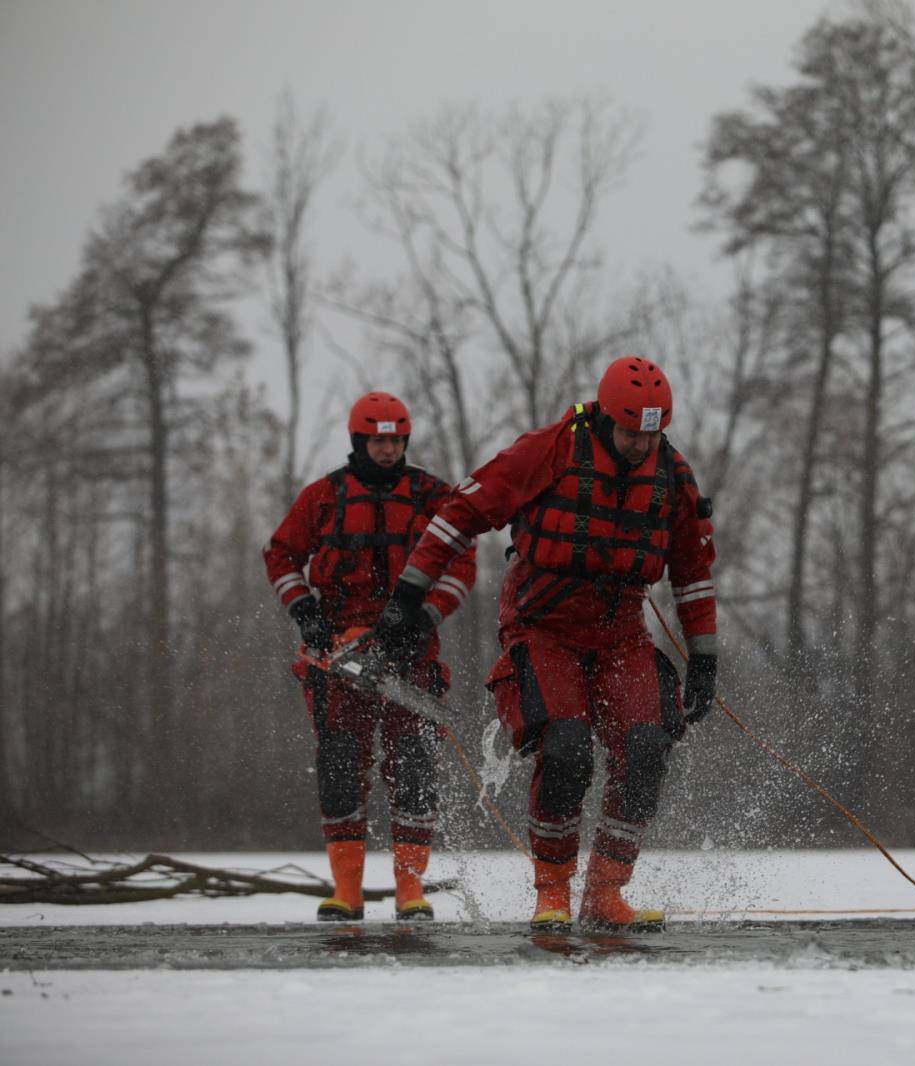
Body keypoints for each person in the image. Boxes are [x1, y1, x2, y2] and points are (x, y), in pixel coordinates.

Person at [373, 356, 718, 931]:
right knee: (566, 750)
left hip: (622, 633)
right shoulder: (550, 449)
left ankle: (606, 893)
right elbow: (461, 513)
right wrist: (408, 593)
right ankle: (552, 891)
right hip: (543, 625)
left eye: (651, 434)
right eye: (631, 432)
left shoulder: (672, 476)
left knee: (648, 748)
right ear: (607, 418)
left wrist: (704, 657)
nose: (640, 444)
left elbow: (693, 572)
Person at [264, 392, 477, 922]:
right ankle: (347, 891)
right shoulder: (322, 497)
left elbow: (462, 560)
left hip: (411, 652)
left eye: (396, 440)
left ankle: (411, 892)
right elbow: (281, 555)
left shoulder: (433, 496)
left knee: (413, 768)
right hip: (337, 653)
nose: (388, 449)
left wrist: (426, 617)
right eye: (379, 440)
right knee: (338, 767)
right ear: (360, 441)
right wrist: (304, 612)